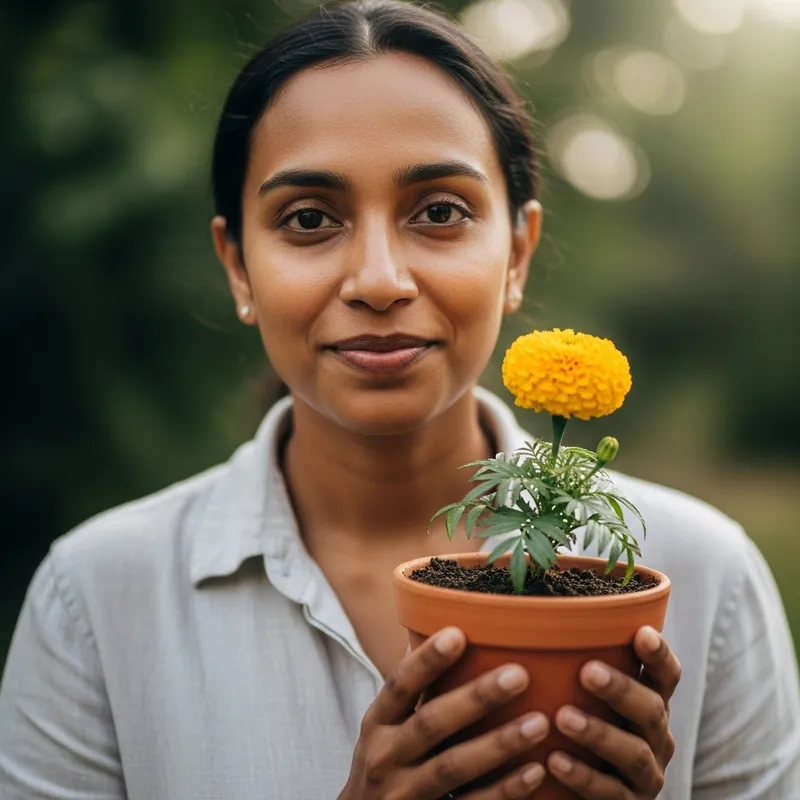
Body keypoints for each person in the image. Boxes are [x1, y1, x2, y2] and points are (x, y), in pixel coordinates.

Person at [1, 1, 798, 797]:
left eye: (440, 212)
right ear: (238, 266)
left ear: (516, 253)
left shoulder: (701, 577)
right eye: (309, 218)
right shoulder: (97, 602)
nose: (379, 280)